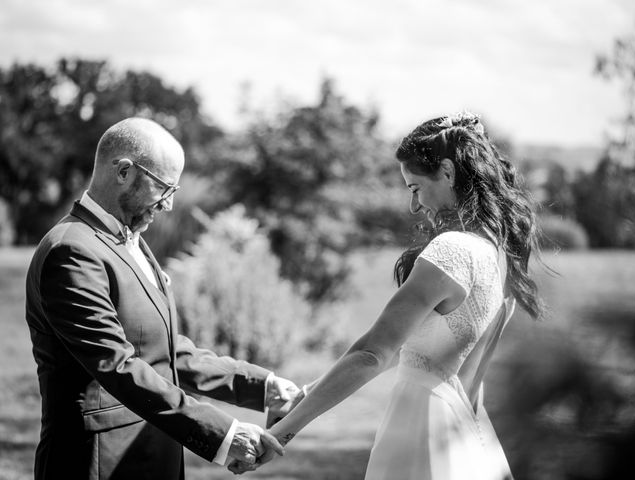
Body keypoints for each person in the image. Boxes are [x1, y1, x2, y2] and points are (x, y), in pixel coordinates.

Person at [232, 112, 543, 479]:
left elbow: (371, 353)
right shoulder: (497, 254)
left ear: (447, 171)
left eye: (415, 188)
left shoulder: (452, 251)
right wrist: (308, 393)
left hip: (421, 428)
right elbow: (411, 349)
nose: (415, 205)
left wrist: (280, 433)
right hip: (465, 433)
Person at [25, 117, 299, 480]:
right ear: (123, 171)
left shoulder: (128, 241)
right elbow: (117, 364)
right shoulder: (72, 250)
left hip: (153, 456)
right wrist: (224, 434)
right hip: (97, 463)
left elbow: (166, 352)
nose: (168, 205)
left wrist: (260, 387)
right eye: (164, 188)